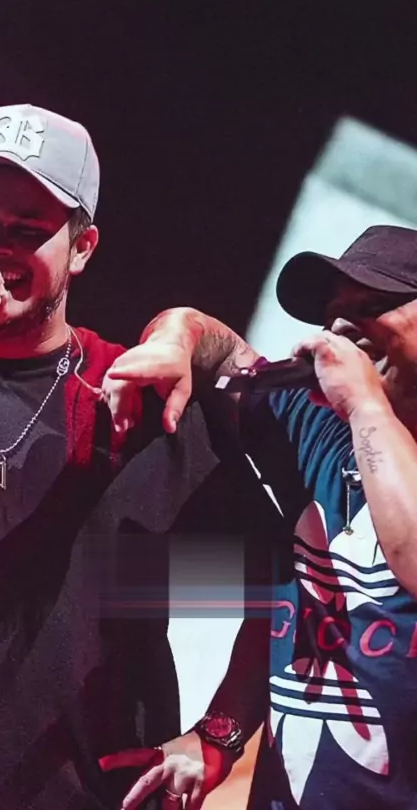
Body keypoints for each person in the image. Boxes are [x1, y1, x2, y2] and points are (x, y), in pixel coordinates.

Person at [0, 103, 277, 810]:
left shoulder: (136, 397)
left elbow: (289, 583)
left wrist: (219, 734)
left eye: (27, 230)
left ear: (83, 247)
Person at [100, 225, 417, 809]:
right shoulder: (319, 429)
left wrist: (365, 405)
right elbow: (219, 347)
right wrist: (175, 336)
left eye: (373, 306)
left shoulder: (357, 413)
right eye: (334, 313)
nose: (341, 328)